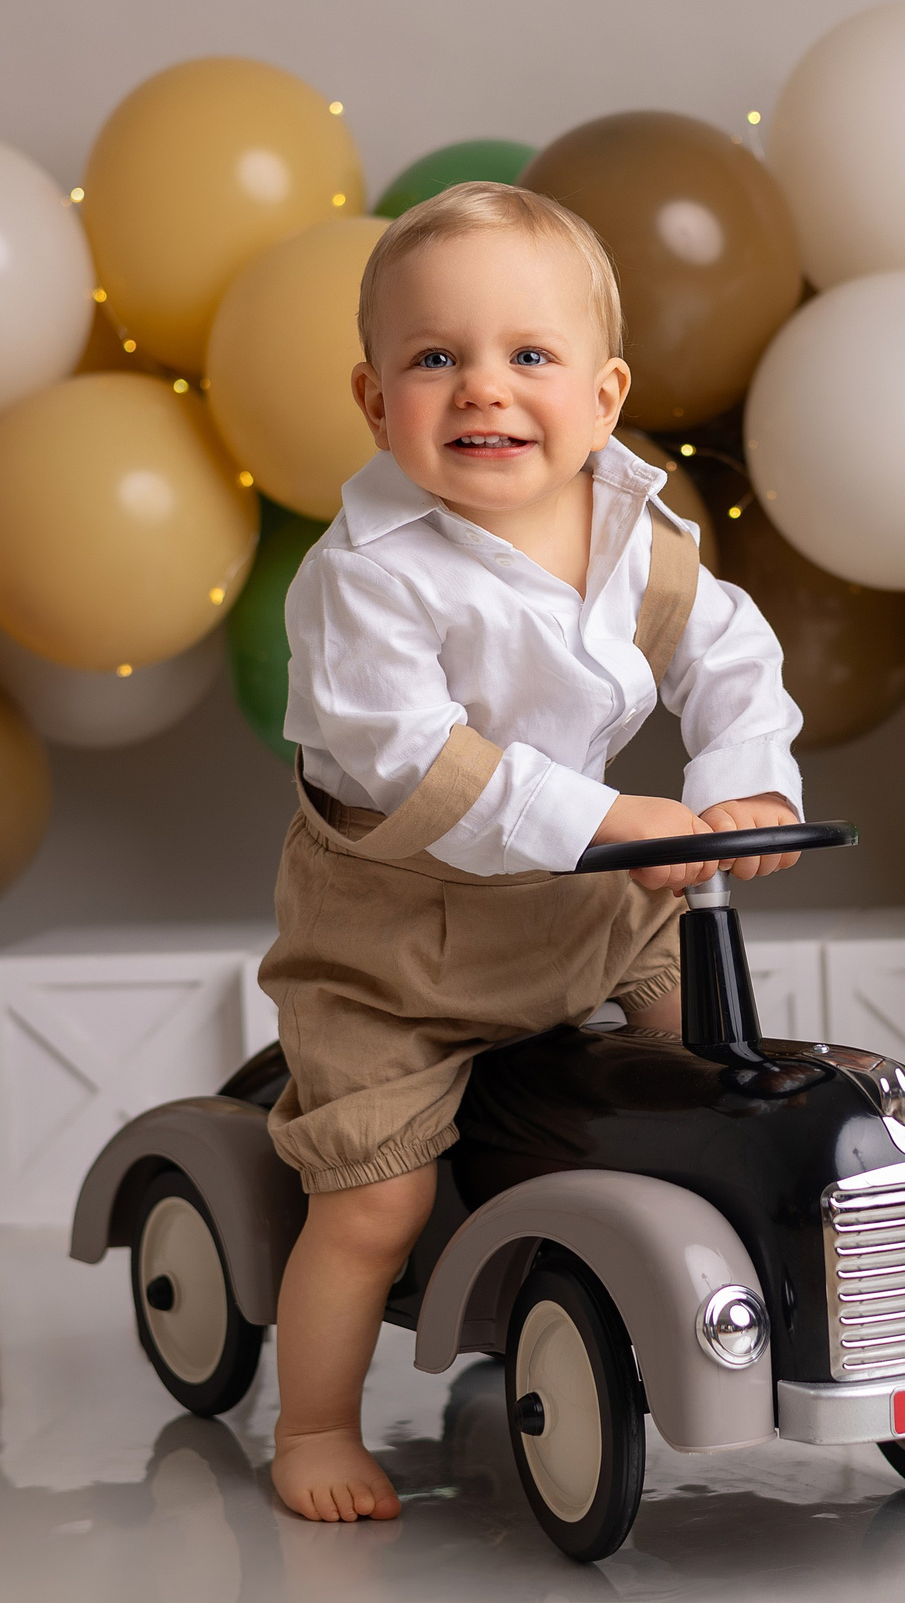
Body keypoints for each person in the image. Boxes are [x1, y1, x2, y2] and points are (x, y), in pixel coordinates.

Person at [260, 182, 804, 1523]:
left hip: (589, 909)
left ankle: (698, 1307)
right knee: (374, 1204)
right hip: (399, 943)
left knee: (711, 1076)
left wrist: (741, 790)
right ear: (373, 400)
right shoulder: (365, 574)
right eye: (434, 358)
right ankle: (314, 1423)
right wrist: (617, 819)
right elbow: (412, 760)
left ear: (606, 397)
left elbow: (732, 663)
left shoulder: (634, 536)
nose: (481, 389)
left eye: (529, 356)